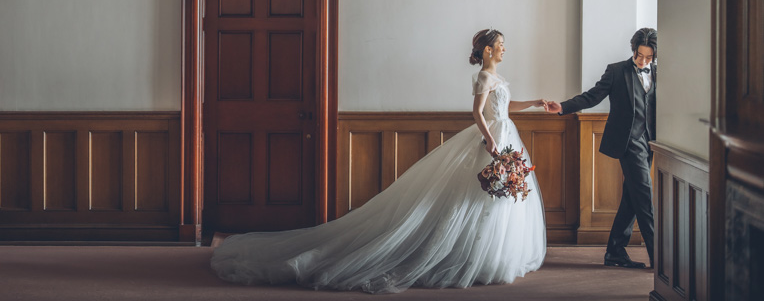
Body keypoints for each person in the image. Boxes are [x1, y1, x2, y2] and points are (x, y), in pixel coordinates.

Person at [211, 28, 549, 293]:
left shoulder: (499, 78)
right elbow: (477, 112)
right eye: (501, 44)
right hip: (492, 139)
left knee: (495, 198)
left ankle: (488, 258)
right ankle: (464, 258)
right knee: (478, 195)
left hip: (505, 134)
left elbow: (503, 107)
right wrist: (489, 139)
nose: (506, 48)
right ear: (488, 49)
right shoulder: (484, 77)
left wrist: (534, 102)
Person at [546, 27, 657, 270]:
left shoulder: (660, 73)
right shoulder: (617, 71)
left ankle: (615, 252)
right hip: (628, 143)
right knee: (645, 196)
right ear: (633, 50)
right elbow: (592, 96)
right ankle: (661, 260)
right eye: (640, 55)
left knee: (632, 196)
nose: (643, 61)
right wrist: (563, 107)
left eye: (649, 57)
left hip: (651, 143)